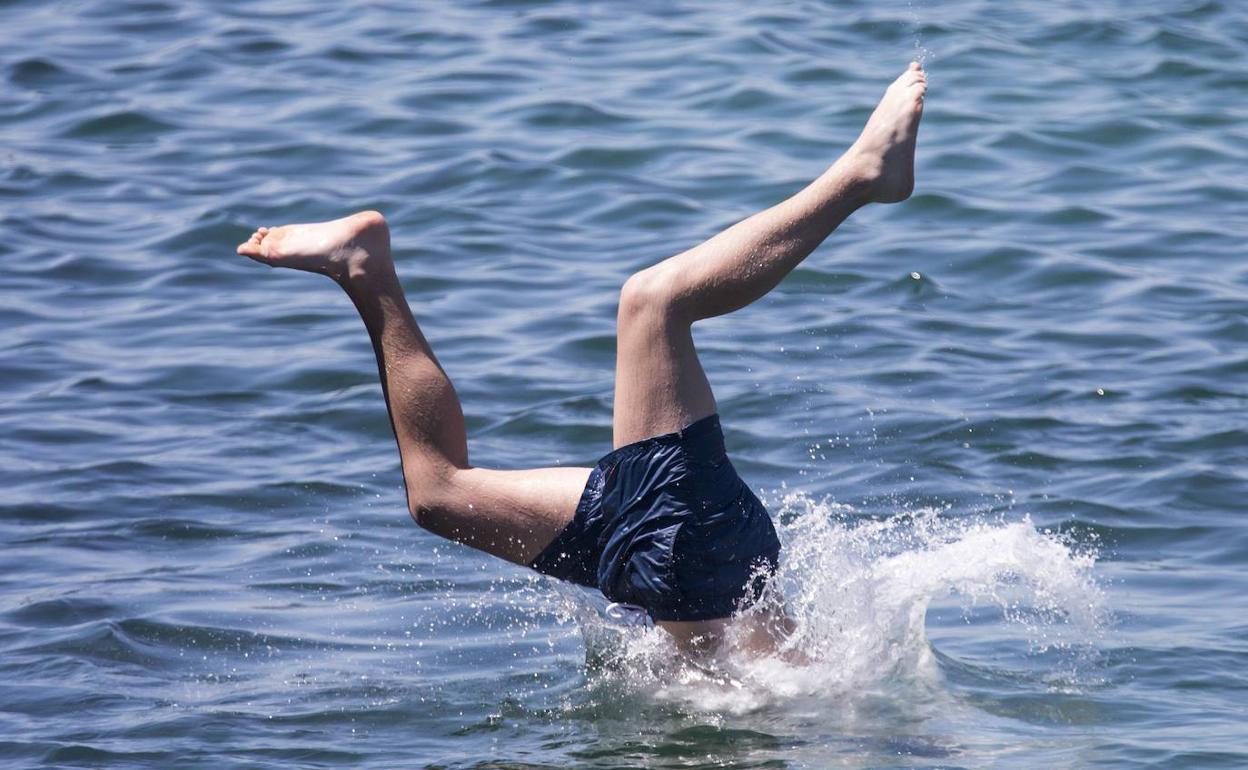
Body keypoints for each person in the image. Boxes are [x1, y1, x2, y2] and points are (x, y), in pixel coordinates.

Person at [237, 63, 927, 656]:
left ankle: (365, 271)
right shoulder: (774, 690)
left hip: (671, 565)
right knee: (652, 305)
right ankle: (863, 175)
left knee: (437, 492)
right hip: (683, 561)